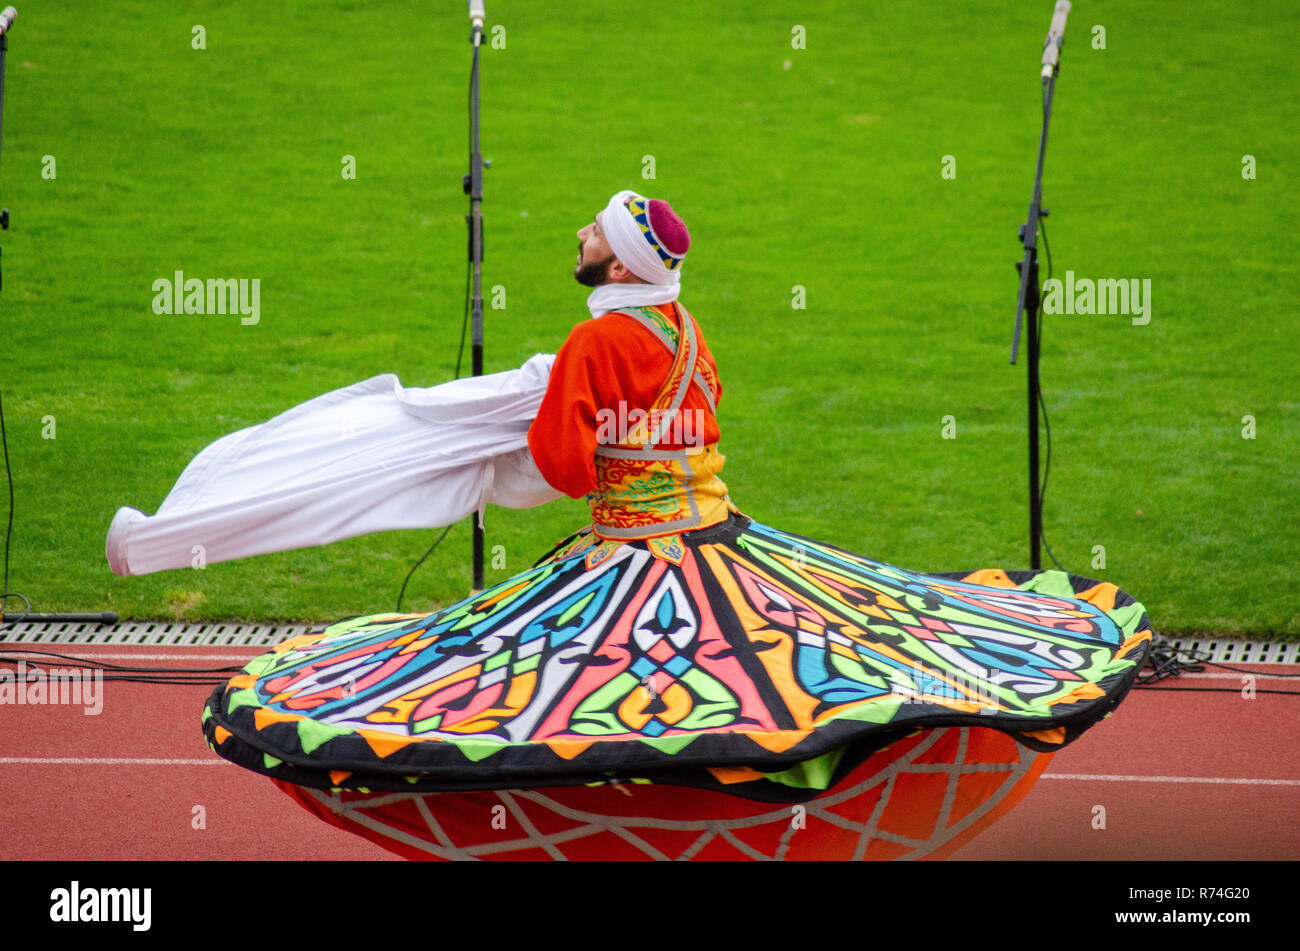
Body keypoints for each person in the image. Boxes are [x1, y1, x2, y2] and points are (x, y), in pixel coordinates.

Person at [202, 189, 1152, 860]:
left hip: (631, 553)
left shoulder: (595, 339)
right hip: (720, 536)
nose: (576, 234)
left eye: (591, 230)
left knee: (559, 693)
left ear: (614, 261)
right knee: (753, 683)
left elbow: (569, 468)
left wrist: (508, 437)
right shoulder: (684, 329)